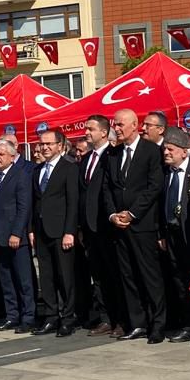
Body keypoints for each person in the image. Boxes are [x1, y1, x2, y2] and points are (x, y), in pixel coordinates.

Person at [104, 107, 166, 341]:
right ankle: (137, 323)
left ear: (134, 125)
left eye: (120, 124)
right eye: (115, 124)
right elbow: (107, 188)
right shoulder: (113, 154)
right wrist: (113, 215)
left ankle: (157, 323)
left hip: (142, 225)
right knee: (127, 276)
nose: (116, 129)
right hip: (119, 226)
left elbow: (154, 187)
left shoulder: (151, 151)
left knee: (150, 276)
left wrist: (132, 214)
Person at [158, 128, 190, 342]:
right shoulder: (166, 173)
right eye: (165, 149)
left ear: (184, 152)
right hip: (172, 235)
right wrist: (162, 233)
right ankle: (188, 324)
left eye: (171, 149)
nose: (166, 153)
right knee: (179, 281)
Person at [30, 126, 79, 336]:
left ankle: (68, 318)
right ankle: (51, 317)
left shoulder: (69, 168)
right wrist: (31, 229)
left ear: (60, 145)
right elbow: (35, 202)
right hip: (41, 231)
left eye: (49, 143)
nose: (45, 147)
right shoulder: (38, 170)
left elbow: (72, 202)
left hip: (60, 231)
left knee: (65, 277)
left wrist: (69, 231)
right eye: (42, 144)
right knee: (47, 276)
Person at [0, 136, 35, 333]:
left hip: (15, 237)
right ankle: (12, 315)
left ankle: (28, 317)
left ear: (12, 157)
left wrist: (17, 233)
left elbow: (23, 208)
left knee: (23, 279)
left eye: (1, 154)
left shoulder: (20, 175)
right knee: (5, 280)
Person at [78, 115, 120, 334]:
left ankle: (120, 318)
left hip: (107, 226)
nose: (86, 132)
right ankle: (105, 317)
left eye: (91, 129)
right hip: (89, 227)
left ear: (104, 132)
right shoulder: (86, 159)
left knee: (114, 274)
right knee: (99, 275)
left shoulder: (113, 155)